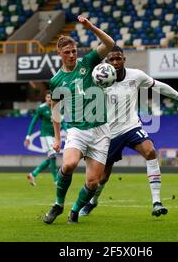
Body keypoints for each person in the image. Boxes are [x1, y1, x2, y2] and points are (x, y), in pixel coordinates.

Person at [79, 46, 178, 217]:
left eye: (118, 58)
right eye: (111, 59)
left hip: (131, 126)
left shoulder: (136, 75)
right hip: (109, 133)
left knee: (150, 151)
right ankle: (93, 202)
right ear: (107, 61)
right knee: (102, 179)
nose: (115, 62)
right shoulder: (99, 79)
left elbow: (160, 86)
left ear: (124, 59)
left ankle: (157, 202)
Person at [42, 15, 115, 224]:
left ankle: (74, 210)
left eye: (74, 51)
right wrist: (57, 137)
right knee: (70, 163)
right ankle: (58, 204)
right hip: (77, 130)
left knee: (93, 182)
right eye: (67, 52)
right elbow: (55, 110)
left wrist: (90, 26)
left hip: (101, 130)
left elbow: (110, 44)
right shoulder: (56, 81)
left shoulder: (89, 62)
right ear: (59, 54)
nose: (72, 55)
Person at [25, 91, 64, 186]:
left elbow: (62, 122)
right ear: (45, 98)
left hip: (53, 136)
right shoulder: (41, 108)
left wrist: (67, 130)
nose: (49, 99)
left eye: (51, 97)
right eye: (47, 97)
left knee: (51, 157)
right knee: (53, 156)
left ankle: (33, 174)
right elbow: (33, 122)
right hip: (45, 135)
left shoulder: (57, 108)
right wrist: (28, 136)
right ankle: (56, 180)